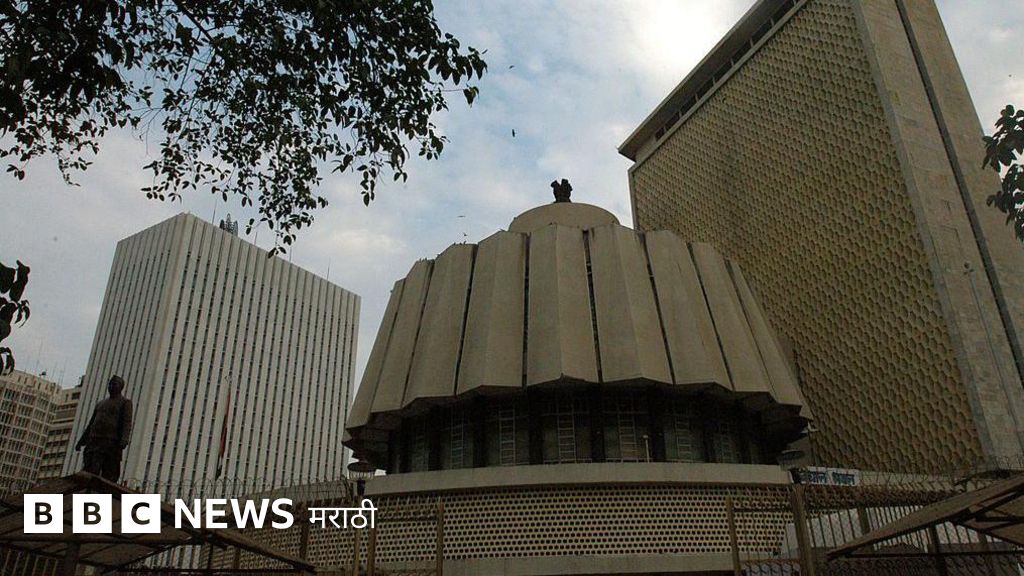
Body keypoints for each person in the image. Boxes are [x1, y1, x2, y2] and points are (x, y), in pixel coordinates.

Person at [75, 375, 133, 482]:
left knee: (109, 472)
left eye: (114, 384)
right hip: (94, 441)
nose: (111, 386)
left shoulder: (125, 402)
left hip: (111, 442)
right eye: (110, 384)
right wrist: (81, 441)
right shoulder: (100, 404)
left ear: (121, 387)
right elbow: (91, 424)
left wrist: (124, 439)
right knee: (90, 469)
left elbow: (127, 423)